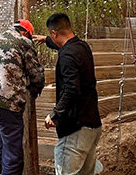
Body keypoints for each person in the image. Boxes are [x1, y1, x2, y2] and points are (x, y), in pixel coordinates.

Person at [34, 13, 103, 175]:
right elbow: (64, 45)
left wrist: (55, 115)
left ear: (55, 33)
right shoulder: (82, 47)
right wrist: (47, 40)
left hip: (75, 130)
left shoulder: (67, 56)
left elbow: (71, 89)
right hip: (92, 125)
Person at [0, 19, 45, 175]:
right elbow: (36, 74)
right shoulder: (24, 41)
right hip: (6, 101)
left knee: (2, 131)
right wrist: (36, 90)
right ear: (26, 33)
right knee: (14, 153)